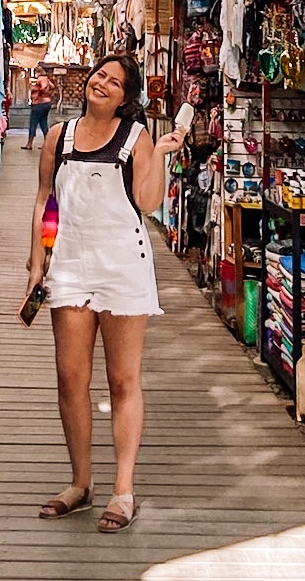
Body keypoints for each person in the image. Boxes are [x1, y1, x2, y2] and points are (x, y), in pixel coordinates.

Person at [22, 51, 184, 534]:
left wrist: (160, 155)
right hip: (69, 262)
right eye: (100, 75)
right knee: (70, 376)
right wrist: (37, 262)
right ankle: (80, 483)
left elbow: (150, 203)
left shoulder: (138, 138)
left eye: (114, 83)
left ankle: (123, 489)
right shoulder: (59, 137)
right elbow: (45, 202)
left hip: (123, 266)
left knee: (122, 380)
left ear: (125, 98)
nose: (103, 84)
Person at [23, 69, 54, 151]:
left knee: (33, 123)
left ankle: (29, 144)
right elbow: (52, 86)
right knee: (44, 124)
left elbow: (43, 87)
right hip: (47, 104)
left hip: (39, 104)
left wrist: (39, 94)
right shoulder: (47, 79)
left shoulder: (41, 79)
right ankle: (47, 144)